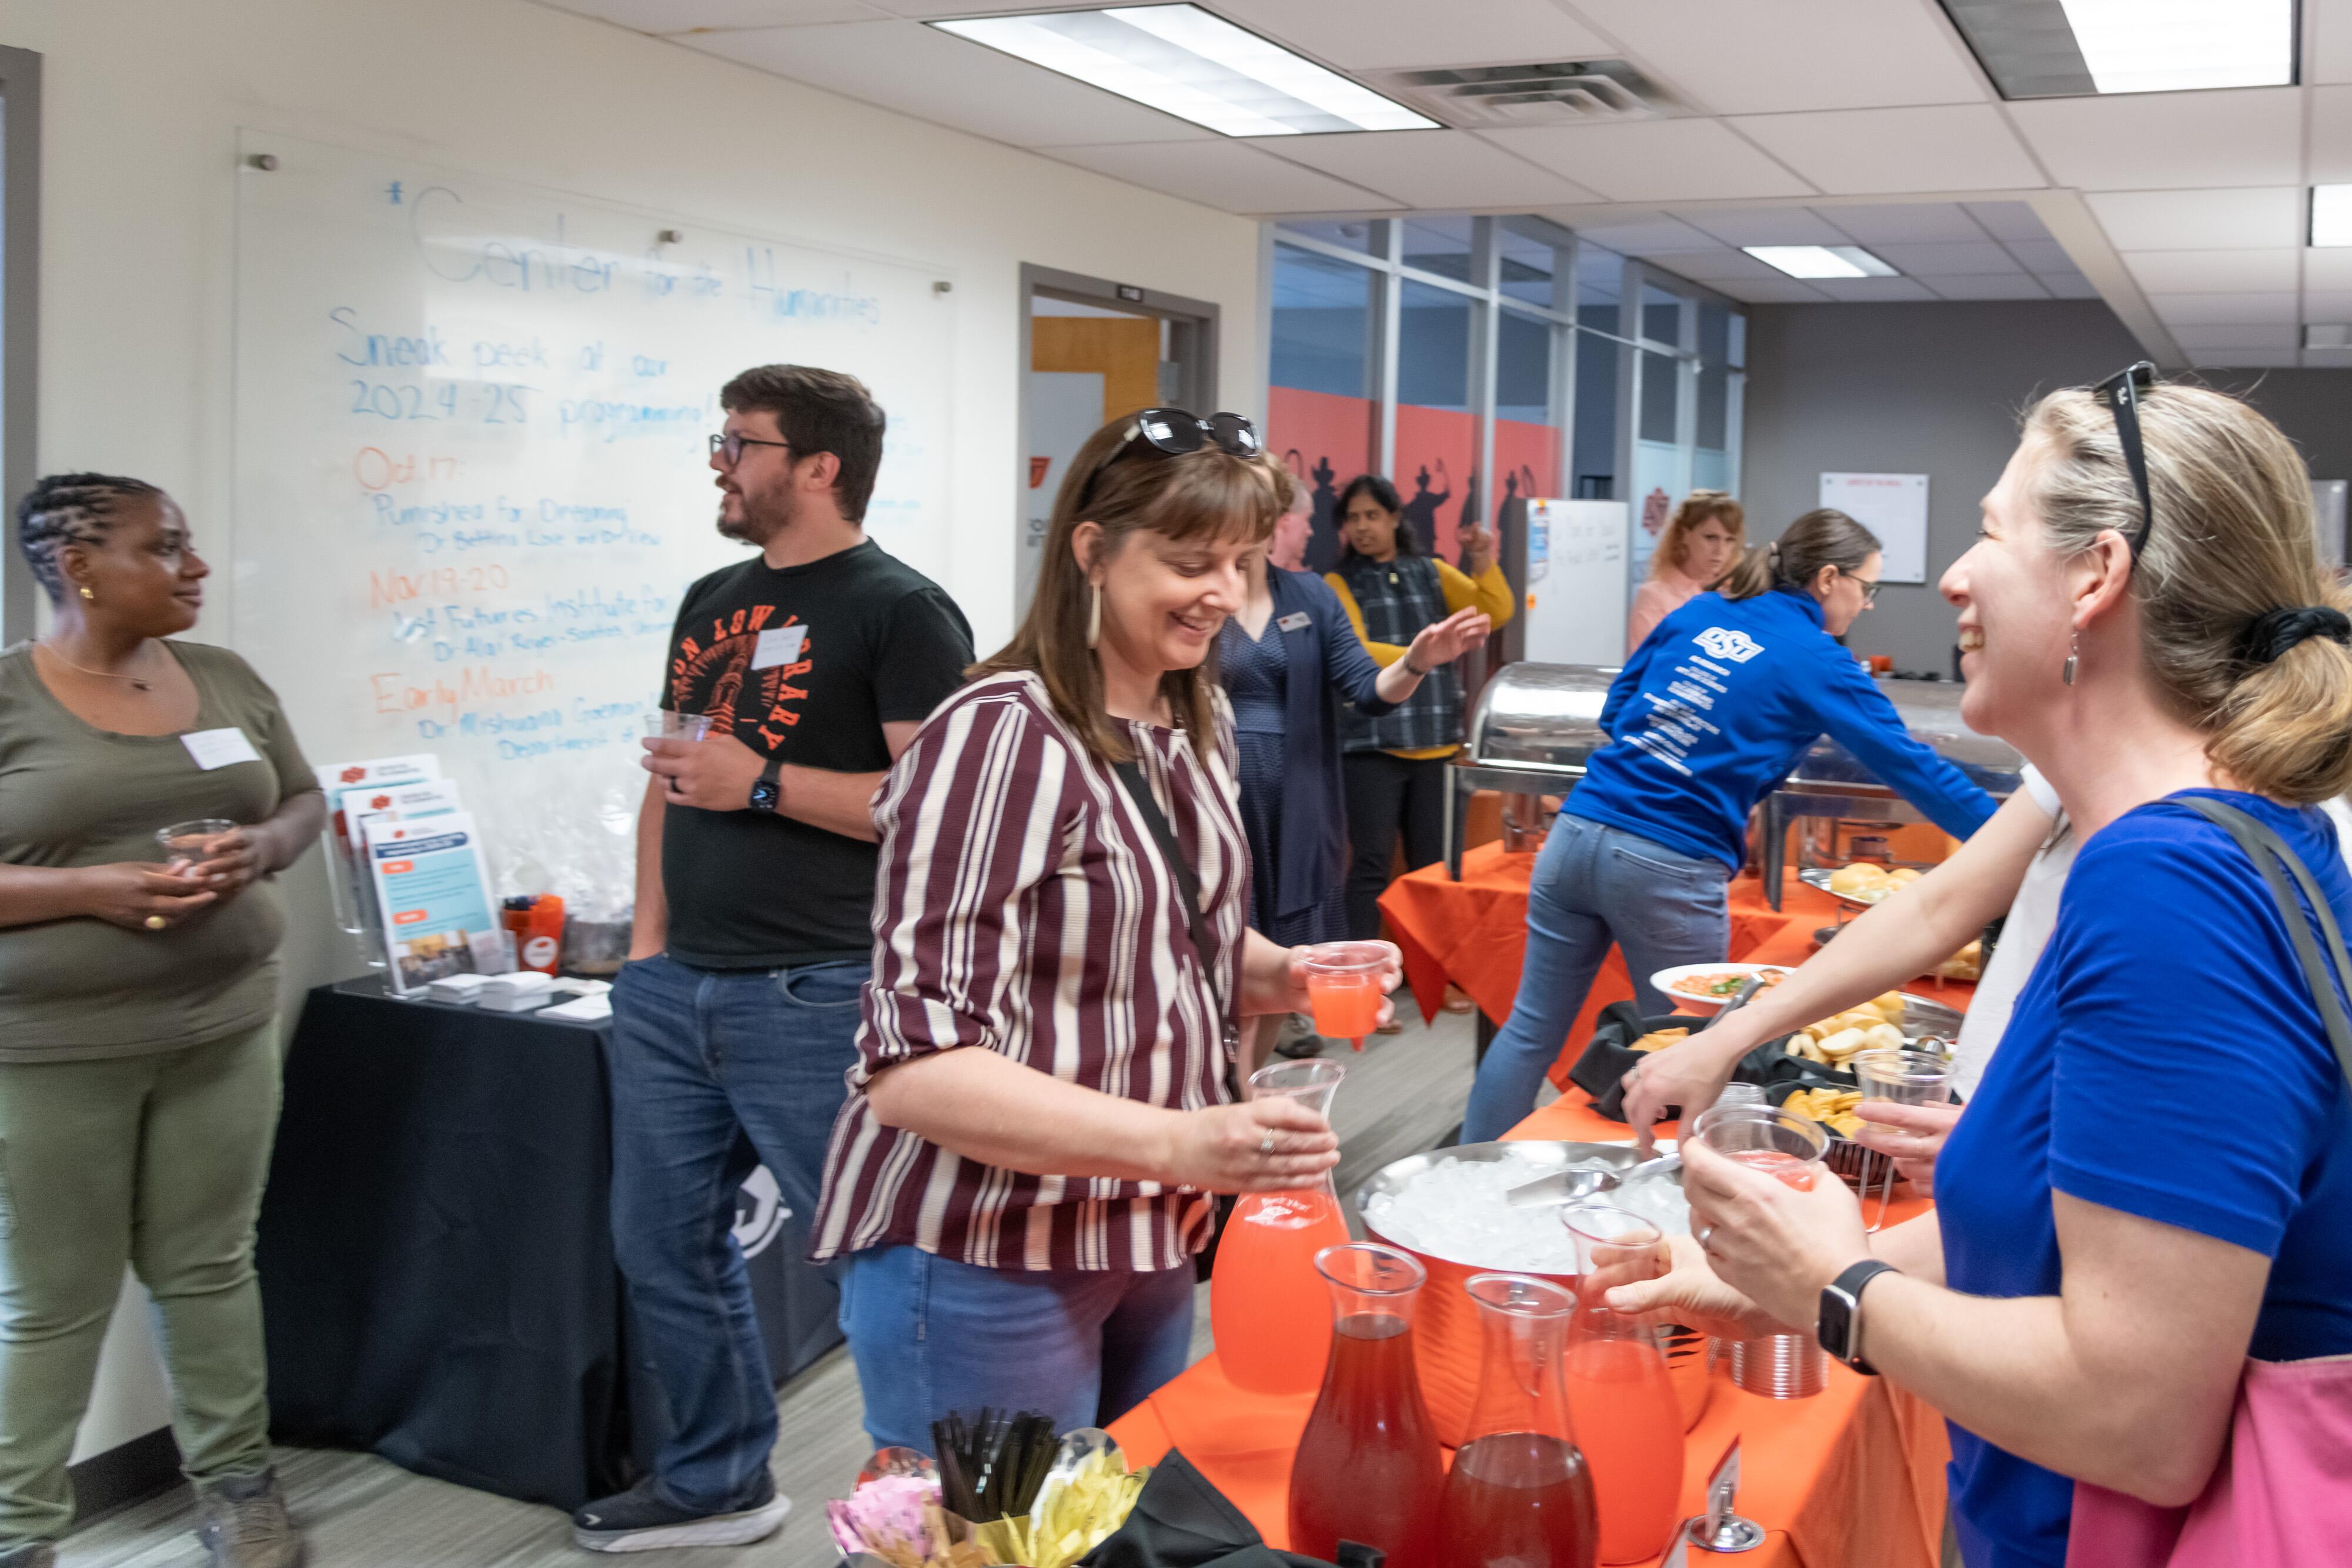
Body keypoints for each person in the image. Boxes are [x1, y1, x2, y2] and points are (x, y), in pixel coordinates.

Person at [1616, 376, 2352, 1568]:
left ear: (2093, 577)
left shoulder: (2170, 888)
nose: (1953, 574)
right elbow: (2093, 1239)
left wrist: (1834, 1287)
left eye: (1991, 532)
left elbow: (2139, 1419)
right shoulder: (2206, 842)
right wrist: (1769, 1279)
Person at [812, 409, 1398, 1452]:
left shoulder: (1192, 721)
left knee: (1107, 1523)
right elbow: (913, 1065)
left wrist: (1296, 974)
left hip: (1142, 1228)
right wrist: (1184, 1138)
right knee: (988, 1546)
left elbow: (1184, 948)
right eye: (1188, 561)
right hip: (987, 1246)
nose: (1222, 592)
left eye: (1241, 561)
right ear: (1092, 550)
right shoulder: (1001, 735)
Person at [578, 367, 974, 1552]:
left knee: (878, 1264)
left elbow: (931, 805)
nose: (718, 461)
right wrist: (647, 953)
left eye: (738, 443)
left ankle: (937, 1509)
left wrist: (760, 780)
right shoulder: (709, 596)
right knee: (660, 1243)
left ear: (819, 466)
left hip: (819, 988)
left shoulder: (901, 609)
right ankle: (715, 1480)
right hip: (676, 989)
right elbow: (669, 778)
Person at [0, 475, 326, 1568]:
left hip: (221, 1031)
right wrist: (90, 890)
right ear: (82, 566)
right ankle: (21, 1530)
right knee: (56, 1298)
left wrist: (263, 849)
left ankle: (240, 1487)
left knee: (209, 1265)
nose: (196, 567)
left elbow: (299, 800)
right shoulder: (9, 699)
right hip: (50, 1054)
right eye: (167, 547)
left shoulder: (225, 679)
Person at [1459, 509, 1996, 1144]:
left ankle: (1470, 1166)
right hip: (1668, 863)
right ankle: (1665, 1211)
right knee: (1694, 1049)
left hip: (1576, 833)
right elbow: (1912, 768)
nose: (1868, 603)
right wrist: (2011, 843)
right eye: (1866, 587)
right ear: (1828, 579)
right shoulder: (1817, 658)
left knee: (1529, 1030)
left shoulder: (1697, 612)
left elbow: (1617, 710)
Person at [1221, 482, 1489, 1072]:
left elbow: (1368, 691)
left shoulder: (1309, 595)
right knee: (1220, 951)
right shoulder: (1204, 594)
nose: (1305, 528)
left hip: (1296, 807)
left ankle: (1246, 1094)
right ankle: (1216, 1105)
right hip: (1215, 803)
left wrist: (1418, 662)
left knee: (1280, 965)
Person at [1325, 474, 1515, 951]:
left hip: (1436, 743)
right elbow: (1354, 648)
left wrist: (1480, 558)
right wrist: (1425, 653)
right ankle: (1362, 973)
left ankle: (1431, 975)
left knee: (1433, 865)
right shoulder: (1337, 581)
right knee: (1370, 865)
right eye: (1353, 518)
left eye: (1372, 515)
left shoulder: (1429, 571)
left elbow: (1496, 608)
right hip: (1370, 746)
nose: (1362, 526)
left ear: (1395, 517)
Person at [1627, 490, 1745, 652]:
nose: (1720, 550)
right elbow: (1643, 664)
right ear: (1685, 535)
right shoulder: (1656, 596)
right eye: (1711, 538)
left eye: (1729, 540)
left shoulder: (1738, 594)